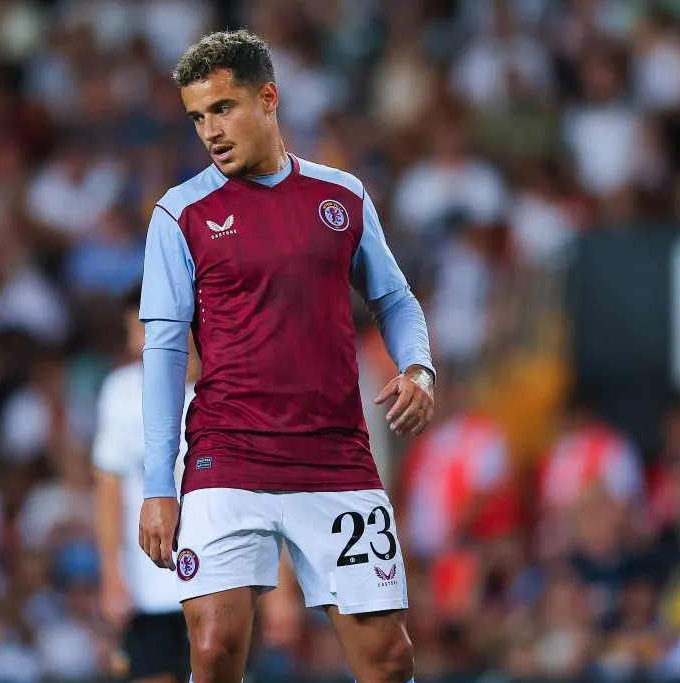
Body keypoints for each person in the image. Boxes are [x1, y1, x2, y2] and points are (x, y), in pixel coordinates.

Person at [137, 29, 436, 683]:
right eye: (197, 117)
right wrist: (159, 486)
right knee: (214, 648)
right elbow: (161, 355)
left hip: (335, 460)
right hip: (227, 458)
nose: (210, 131)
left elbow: (395, 299)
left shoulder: (342, 197)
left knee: (388, 657)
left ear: (267, 98)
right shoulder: (179, 214)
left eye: (223, 109)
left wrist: (418, 367)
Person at [93, 284, 198, 683]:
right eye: (132, 332)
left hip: (220, 580)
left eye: (144, 329)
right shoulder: (121, 393)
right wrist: (111, 574)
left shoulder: (224, 391)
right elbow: (107, 492)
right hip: (147, 584)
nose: (137, 343)